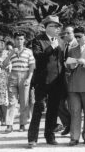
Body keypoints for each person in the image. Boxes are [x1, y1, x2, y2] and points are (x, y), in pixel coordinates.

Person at [27, 15, 65, 148]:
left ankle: (50, 136)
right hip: (42, 81)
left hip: (56, 81)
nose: (56, 29)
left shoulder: (60, 41)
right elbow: (38, 57)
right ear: (47, 27)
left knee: (53, 110)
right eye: (54, 26)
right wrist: (51, 47)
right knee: (38, 108)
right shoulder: (38, 40)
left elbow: (61, 62)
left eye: (57, 27)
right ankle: (32, 139)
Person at [2, 31, 35, 133]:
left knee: (24, 102)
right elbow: (3, 65)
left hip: (24, 75)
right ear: (14, 40)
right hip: (13, 75)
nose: (19, 41)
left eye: (21, 39)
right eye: (17, 39)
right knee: (12, 102)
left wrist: (29, 78)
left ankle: (22, 124)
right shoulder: (10, 52)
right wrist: (11, 53)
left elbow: (32, 66)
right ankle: (9, 125)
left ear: (24, 40)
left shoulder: (29, 51)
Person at [56, 26, 75, 136]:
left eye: (69, 33)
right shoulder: (62, 44)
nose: (66, 35)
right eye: (65, 33)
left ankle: (74, 128)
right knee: (59, 103)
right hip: (62, 78)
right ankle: (68, 123)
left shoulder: (77, 45)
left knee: (72, 105)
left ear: (73, 33)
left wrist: (67, 63)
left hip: (73, 78)